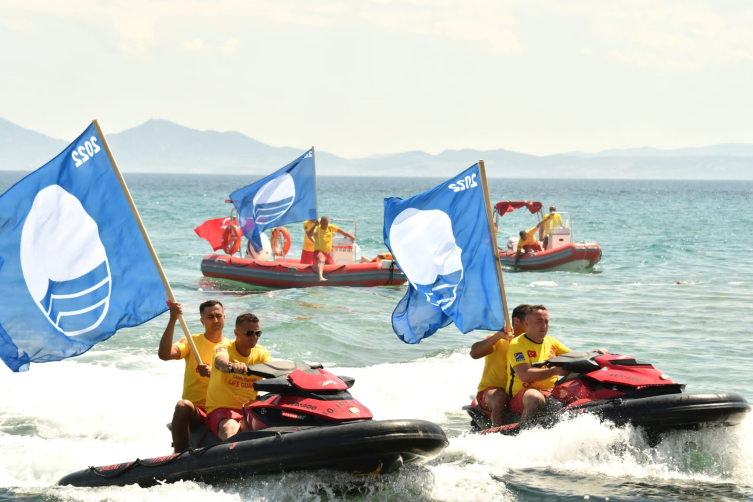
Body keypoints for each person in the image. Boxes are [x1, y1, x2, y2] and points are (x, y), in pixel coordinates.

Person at [158, 300, 229, 453]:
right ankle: (179, 456)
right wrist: (173, 320)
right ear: (202, 321)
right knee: (182, 405)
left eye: (218, 315)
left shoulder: (232, 347)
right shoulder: (191, 342)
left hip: (221, 409)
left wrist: (214, 373)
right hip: (197, 411)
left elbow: (236, 382)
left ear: (224, 317)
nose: (215, 320)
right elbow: (164, 354)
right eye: (210, 317)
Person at [205, 312, 272, 441]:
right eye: (249, 333)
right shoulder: (223, 347)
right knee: (230, 428)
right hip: (222, 408)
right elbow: (220, 362)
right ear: (236, 333)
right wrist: (232, 366)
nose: (254, 337)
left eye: (257, 333)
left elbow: (272, 367)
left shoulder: (262, 352)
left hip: (250, 409)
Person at [505, 305, 569, 422]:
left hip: (550, 391)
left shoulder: (552, 341)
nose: (544, 326)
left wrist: (595, 354)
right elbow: (524, 375)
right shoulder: (517, 344)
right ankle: (523, 431)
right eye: (539, 321)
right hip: (522, 396)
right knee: (535, 398)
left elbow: (573, 356)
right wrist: (554, 371)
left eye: (546, 322)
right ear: (527, 323)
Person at [470, 304, 531, 427]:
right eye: (529, 321)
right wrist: (498, 335)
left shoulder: (535, 342)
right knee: (500, 396)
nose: (535, 325)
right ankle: (497, 432)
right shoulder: (499, 339)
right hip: (492, 392)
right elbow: (474, 353)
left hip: (519, 391)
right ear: (516, 321)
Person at [306, 216, 355, 281]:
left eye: (326, 223)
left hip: (327, 255)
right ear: (320, 223)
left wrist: (351, 236)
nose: (325, 225)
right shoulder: (317, 228)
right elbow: (309, 234)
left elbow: (342, 232)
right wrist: (315, 225)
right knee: (321, 260)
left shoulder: (330, 227)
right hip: (319, 252)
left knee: (334, 268)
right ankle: (320, 277)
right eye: (323, 223)